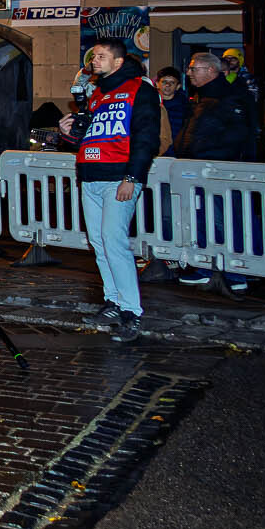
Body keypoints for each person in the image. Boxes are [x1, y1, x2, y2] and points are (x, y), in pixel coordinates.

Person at [57, 38, 162, 342]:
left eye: (101, 56)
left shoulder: (140, 89)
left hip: (119, 176)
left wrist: (133, 176)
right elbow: (90, 136)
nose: (94, 61)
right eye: (94, 56)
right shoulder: (98, 93)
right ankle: (113, 301)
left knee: (114, 242)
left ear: (118, 61)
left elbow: (146, 137)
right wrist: (68, 134)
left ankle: (131, 311)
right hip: (91, 175)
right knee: (100, 243)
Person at [170, 51, 260, 292]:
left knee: (226, 221)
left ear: (210, 70)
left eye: (193, 68)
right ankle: (205, 267)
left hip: (219, 171)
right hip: (199, 169)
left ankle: (235, 273)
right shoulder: (203, 97)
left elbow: (237, 136)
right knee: (203, 219)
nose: (189, 73)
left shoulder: (230, 97)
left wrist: (204, 153)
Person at [155, 67, 189, 151]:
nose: (167, 85)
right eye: (164, 82)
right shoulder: (150, 104)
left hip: (177, 152)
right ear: (157, 84)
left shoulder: (185, 107)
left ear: (178, 86)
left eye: (172, 82)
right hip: (156, 151)